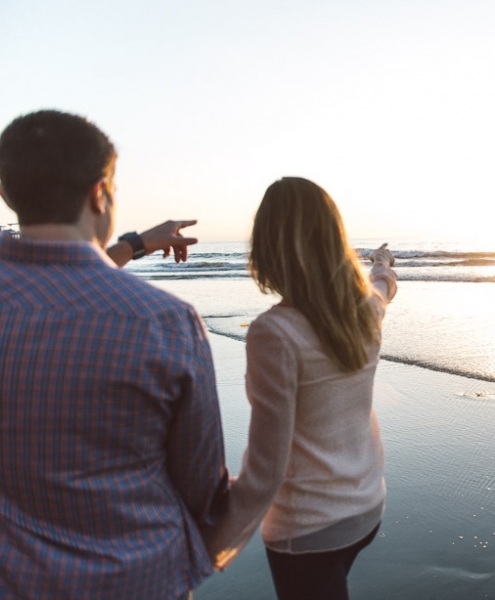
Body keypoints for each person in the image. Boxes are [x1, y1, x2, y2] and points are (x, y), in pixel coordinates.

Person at [0, 109, 229, 599]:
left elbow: (49, 268)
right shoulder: (165, 322)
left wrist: (139, 243)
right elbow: (204, 494)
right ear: (99, 193)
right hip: (139, 580)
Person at [201, 177, 397, 600]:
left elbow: (266, 469)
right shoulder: (364, 311)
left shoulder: (275, 333)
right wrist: (382, 265)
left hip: (309, 529)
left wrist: (211, 547)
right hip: (366, 508)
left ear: (270, 246)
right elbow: (383, 290)